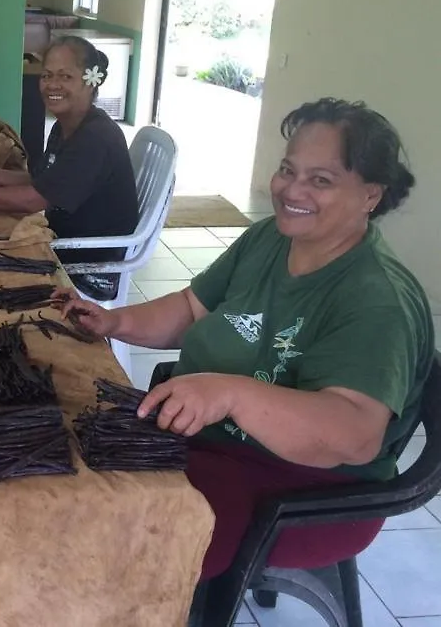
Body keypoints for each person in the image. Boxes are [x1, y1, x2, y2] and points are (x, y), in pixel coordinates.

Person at [60, 98, 434, 582]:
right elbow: (189, 309)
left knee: (123, 543)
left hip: (307, 490)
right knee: (69, 468)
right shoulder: (268, 240)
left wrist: (230, 394)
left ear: (371, 195)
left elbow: (354, 435)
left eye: (320, 180)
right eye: (287, 170)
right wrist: (113, 322)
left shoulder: (376, 299)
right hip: (215, 446)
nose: (291, 189)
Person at [0, 35, 139, 300]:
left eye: (65, 76)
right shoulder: (64, 127)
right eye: (47, 75)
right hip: (62, 239)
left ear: (90, 81)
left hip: (88, 265)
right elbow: (40, 180)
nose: (52, 85)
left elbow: (33, 199)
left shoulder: (95, 139)